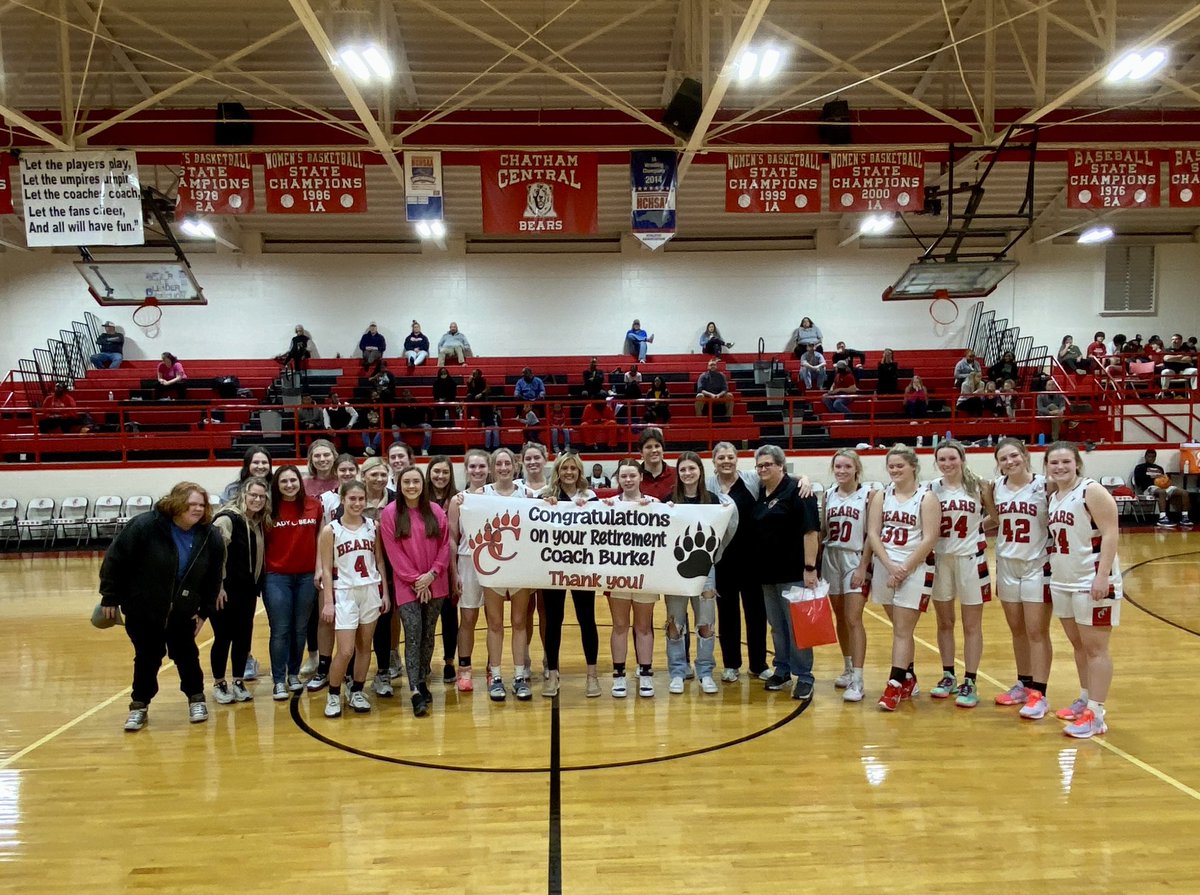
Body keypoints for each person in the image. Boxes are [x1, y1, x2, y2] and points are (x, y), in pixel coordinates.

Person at [99, 482, 225, 731]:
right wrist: (110, 596)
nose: (198, 509)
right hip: (143, 609)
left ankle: (196, 699)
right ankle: (139, 706)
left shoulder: (210, 536)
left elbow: (213, 578)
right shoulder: (144, 526)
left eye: (202, 504)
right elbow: (115, 559)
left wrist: (204, 612)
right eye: (192, 504)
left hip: (183, 611)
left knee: (187, 656)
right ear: (176, 503)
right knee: (147, 658)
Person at [1045, 441, 1123, 738]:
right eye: (1054, 463)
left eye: (1066, 462)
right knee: (1079, 645)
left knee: (1096, 649)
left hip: (1091, 580)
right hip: (1063, 579)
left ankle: (1097, 713)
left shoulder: (1091, 490)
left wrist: (1102, 576)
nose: (1060, 467)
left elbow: (1111, 532)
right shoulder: (1056, 496)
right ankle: (1084, 697)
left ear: (1077, 463)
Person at [868, 444, 940, 711]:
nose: (895, 470)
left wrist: (904, 569)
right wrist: (889, 566)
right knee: (898, 627)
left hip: (916, 568)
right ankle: (908, 676)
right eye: (891, 466)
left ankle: (894, 685)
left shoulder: (927, 497)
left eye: (900, 465)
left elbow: (930, 537)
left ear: (913, 467)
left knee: (902, 630)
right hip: (885, 567)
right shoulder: (880, 495)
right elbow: (873, 533)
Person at [990, 438, 1053, 719]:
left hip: (1036, 565)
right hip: (1006, 564)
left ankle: (1040, 692)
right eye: (1003, 459)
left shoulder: (1044, 485)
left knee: (1037, 631)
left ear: (1025, 455)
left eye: (1014, 456)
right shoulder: (995, 488)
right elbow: (996, 520)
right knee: (1017, 630)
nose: (1010, 462)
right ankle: (1024, 683)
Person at [927, 441, 993, 709]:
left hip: (971, 560)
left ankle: (971, 680)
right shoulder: (931, 488)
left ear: (962, 459)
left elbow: (996, 517)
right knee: (944, 622)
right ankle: (948, 675)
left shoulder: (980, 486)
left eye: (952, 458)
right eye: (942, 459)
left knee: (971, 625)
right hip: (940, 559)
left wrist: (975, 529)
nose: (947, 464)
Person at [752, 444, 820, 701]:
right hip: (767, 575)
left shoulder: (799, 492)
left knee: (797, 628)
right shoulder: (761, 491)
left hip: (795, 573)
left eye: (768, 464)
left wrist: (810, 568)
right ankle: (782, 669)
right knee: (777, 627)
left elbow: (811, 532)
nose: (763, 469)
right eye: (759, 465)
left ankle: (804, 676)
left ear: (781, 465)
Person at [380, 466, 450, 717]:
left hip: (436, 582)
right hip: (407, 585)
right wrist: (416, 581)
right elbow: (393, 552)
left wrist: (432, 575)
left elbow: (445, 545)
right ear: (400, 485)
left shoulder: (436, 510)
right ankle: (414, 691)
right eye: (406, 482)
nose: (411, 486)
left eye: (416, 482)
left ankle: (422, 677)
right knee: (412, 634)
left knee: (429, 635)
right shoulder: (389, 514)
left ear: (423, 484)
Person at [317, 480, 390, 718]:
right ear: (343, 499)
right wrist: (328, 601)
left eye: (361, 499)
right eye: (352, 499)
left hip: (370, 590)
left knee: (364, 647)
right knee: (346, 650)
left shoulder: (373, 526)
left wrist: (385, 592)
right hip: (344, 592)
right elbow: (327, 569)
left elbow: (379, 561)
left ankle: (357, 690)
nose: (357, 503)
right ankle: (333, 694)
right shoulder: (331, 530)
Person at [665, 451, 733, 696]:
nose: (687, 473)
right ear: (678, 473)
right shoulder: (669, 499)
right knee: (675, 623)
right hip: (674, 569)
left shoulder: (714, 499)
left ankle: (705, 671)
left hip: (706, 569)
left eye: (691, 469)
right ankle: (677, 670)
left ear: (700, 472)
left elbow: (728, 530)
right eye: (682, 469)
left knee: (705, 623)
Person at [538, 452, 602, 697]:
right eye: (564, 468)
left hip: (582, 569)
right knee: (554, 620)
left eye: (573, 469)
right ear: (558, 470)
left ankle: (592, 676)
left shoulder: (590, 497)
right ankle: (552, 674)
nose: (569, 473)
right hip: (552, 568)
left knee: (587, 619)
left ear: (579, 472)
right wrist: (546, 506)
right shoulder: (545, 495)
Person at [707, 443, 766, 683]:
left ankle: (758, 664)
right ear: (714, 462)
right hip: (723, 562)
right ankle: (731, 664)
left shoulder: (752, 479)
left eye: (730, 456)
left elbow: (783, 479)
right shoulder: (708, 485)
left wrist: (803, 478)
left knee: (756, 614)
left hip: (752, 560)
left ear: (737, 459)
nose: (726, 461)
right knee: (727, 614)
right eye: (721, 457)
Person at [481, 448, 537, 701]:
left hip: (519, 567)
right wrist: (460, 503)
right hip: (492, 566)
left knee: (518, 622)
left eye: (507, 463)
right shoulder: (479, 495)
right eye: (499, 464)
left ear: (515, 466)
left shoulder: (527, 494)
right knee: (494, 624)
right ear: (493, 467)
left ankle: (519, 676)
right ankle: (495, 676)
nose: (503, 468)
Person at [603, 459, 660, 698]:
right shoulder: (608, 505)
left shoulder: (655, 505)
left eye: (632, 476)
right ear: (618, 479)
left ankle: (645, 673)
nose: (628, 480)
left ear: (640, 478)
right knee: (619, 626)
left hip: (646, 575)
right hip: (618, 576)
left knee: (643, 627)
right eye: (623, 476)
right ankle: (618, 674)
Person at [263, 465, 321, 700]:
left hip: (307, 576)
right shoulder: (269, 509)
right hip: (277, 577)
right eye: (284, 481)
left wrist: (319, 570)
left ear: (300, 481)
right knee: (280, 630)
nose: (289, 485)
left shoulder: (314, 506)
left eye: (293, 480)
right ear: (277, 485)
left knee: (300, 629)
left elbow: (320, 538)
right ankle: (278, 679)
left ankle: (294, 674)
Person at [210, 477, 269, 706]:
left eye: (261, 497)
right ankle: (218, 682)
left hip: (246, 590)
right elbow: (214, 555)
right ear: (243, 494)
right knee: (223, 637)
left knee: (243, 638)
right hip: (224, 591)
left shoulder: (257, 521)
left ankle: (237, 681)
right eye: (253, 495)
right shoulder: (227, 519)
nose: (257, 500)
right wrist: (218, 586)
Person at [822, 449, 871, 703]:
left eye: (847, 467)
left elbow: (872, 534)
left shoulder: (868, 495)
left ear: (856, 469)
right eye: (838, 467)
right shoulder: (828, 494)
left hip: (856, 557)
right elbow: (822, 531)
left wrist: (864, 566)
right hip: (832, 557)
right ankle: (849, 667)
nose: (842, 471)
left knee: (854, 618)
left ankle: (859, 679)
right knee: (840, 617)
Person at [447, 448, 491, 692]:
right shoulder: (458, 500)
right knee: (469, 618)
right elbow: (452, 538)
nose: (477, 471)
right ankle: (464, 669)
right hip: (467, 561)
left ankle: (491, 668)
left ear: (489, 469)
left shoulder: (497, 496)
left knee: (494, 619)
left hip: (495, 562)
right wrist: (453, 571)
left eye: (481, 466)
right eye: (472, 467)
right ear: (466, 469)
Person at [424, 456, 460, 684]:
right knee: (426, 619)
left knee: (449, 618)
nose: (440, 476)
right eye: (436, 471)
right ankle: (424, 661)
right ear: (429, 473)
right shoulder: (420, 498)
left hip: (450, 566)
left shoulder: (459, 499)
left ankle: (448, 662)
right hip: (426, 566)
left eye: (445, 472)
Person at [1132, 448, 1191, 527]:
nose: (1151, 458)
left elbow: (1164, 479)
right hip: (1149, 487)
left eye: (1153, 457)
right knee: (1162, 492)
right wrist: (1153, 477)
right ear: (1145, 457)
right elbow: (1138, 481)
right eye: (1149, 456)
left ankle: (1185, 517)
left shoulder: (1159, 468)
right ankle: (1162, 518)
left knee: (1184, 492)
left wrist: (1166, 480)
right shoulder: (1140, 468)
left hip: (1163, 486)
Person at [638, 427, 677, 499]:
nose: (654, 450)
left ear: (663, 449)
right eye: (649, 447)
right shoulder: (633, 477)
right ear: (641, 452)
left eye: (657, 446)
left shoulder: (677, 474)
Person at [395, 389, 433, 456]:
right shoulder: (399, 405)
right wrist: (400, 423)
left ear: (411, 395)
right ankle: (400, 448)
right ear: (403, 397)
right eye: (405, 395)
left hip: (417, 424)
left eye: (408, 394)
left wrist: (427, 421)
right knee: (394, 427)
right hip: (404, 425)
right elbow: (395, 418)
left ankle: (424, 449)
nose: (407, 396)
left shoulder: (417, 403)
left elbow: (430, 411)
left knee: (428, 426)